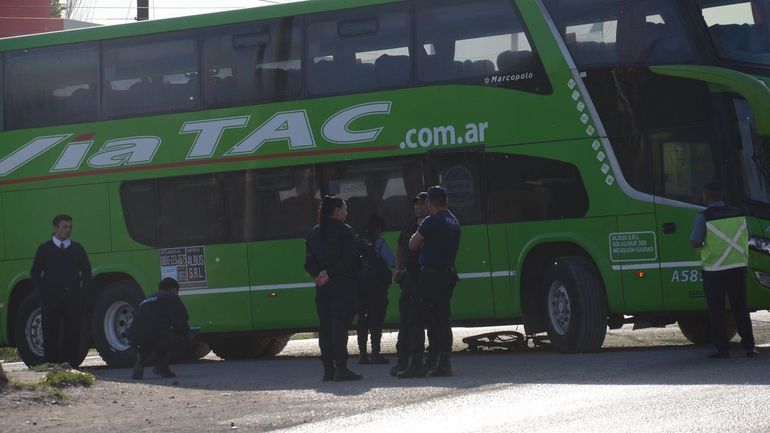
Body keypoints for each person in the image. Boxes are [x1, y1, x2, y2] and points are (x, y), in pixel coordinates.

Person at [690, 182, 758, 359]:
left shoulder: (703, 217)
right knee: (740, 308)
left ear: (706, 197)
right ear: (722, 195)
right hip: (737, 267)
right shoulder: (739, 213)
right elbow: (748, 236)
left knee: (717, 310)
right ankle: (750, 347)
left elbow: (696, 241)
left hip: (714, 269)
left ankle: (722, 349)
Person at [399, 186, 461, 378]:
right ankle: (444, 363)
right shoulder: (454, 221)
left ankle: (416, 364)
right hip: (447, 275)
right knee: (442, 319)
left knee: (415, 317)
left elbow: (412, 244)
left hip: (429, 277)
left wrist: (421, 240)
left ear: (429, 202)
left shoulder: (430, 221)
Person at [305, 195, 362, 381]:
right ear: (336, 210)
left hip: (322, 287)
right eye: (344, 208)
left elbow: (309, 263)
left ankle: (328, 369)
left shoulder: (314, 233)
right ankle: (341, 368)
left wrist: (320, 274)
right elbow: (349, 260)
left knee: (325, 327)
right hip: (342, 285)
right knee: (339, 327)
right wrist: (331, 273)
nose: (346, 212)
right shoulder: (345, 232)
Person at [30, 214, 92, 367]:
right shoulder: (44, 249)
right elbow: (35, 273)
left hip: (72, 298)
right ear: (55, 228)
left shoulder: (77, 249)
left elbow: (87, 272)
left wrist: (82, 294)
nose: (68, 230)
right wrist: (44, 293)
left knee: (72, 332)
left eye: (70, 227)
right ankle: (52, 366)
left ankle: (71, 365)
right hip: (51, 299)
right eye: (65, 227)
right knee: (50, 332)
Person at [390, 192, 429, 376]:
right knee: (405, 320)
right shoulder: (409, 225)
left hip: (423, 279)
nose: (417, 208)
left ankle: (422, 361)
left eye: (421, 204)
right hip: (408, 279)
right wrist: (398, 269)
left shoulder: (431, 224)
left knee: (419, 321)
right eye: (416, 205)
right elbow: (399, 248)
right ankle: (402, 361)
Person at [127, 278, 190, 379]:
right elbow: (181, 320)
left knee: (149, 337)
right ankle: (162, 366)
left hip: (134, 337)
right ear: (173, 289)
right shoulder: (171, 297)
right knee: (178, 337)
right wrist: (185, 333)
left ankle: (140, 362)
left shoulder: (147, 299)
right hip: (154, 336)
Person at [356, 213, 395, 365]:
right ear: (378, 228)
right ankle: (376, 353)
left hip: (360, 287)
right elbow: (391, 262)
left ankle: (362, 355)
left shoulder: (357, 242)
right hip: (377, 287)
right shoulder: (379, 243)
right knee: (376, 319)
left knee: (362, 319)